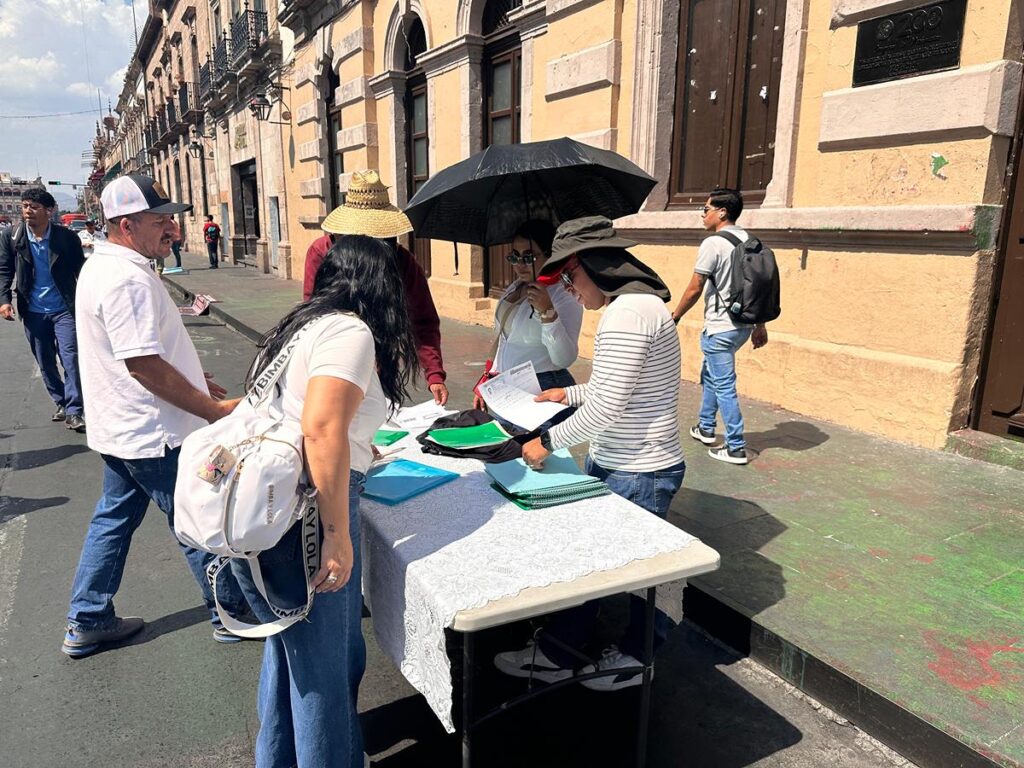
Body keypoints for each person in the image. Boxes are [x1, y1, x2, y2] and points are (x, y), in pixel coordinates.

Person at [233, 235, 419, 767]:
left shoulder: (300, 326)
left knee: (290, 653)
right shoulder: (350, 330)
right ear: (381, 283)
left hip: (268, 516)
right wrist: (337, 535)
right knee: (323, 671)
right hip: (306, 515)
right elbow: (319, 429)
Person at [62, 174, 250, 658]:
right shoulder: (126, 279)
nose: (172, 227)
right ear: (127, 225)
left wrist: (193, 375)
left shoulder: (109, 267)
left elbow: (146, 352)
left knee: (113, 519)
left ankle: (87, 618)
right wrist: (209, 409)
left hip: (121, 428)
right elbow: (142, 363)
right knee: (195, 519)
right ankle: (229, 612)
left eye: (172, 217)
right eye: (160, 219)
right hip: (153, 431)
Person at [495, 216, 685, 691]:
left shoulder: (625, 315)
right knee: (594, 560)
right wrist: (568, 395)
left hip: (638, 466)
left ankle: (634, 660)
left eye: (569, 277)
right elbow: (613, 389)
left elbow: (608, 406)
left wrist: (546, 443)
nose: (570, 290)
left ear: (592, 265)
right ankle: (563, 649)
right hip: (625, 459)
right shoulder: (640, 306)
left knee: (641, 570)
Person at [303, 170, 449, 405]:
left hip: (382, 350)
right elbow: (313, 312)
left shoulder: (401, 260)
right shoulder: (322, 251)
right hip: (333, 351)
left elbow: (424, 320)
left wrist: (434, 373)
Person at [670, 188, 767, 465]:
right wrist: (760, 325)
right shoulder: (751, 240)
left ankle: (735, 446)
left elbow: (695, 287)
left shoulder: (713, 243)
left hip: (721, 327)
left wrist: (675, 316)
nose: (702, 215)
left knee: (724, 384)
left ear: (722, 212)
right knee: (710, 373)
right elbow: (759, 286)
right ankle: (705, 428)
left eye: (705, 209)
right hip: (743, 325)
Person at [472, 220, 583, 423]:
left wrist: (547, 312)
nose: (519, 264)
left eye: (529, 257)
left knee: (537, 452)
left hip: (543, 388)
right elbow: (502, 341)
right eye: (514, 256)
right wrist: (487, 380)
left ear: (550, 254)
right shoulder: (515, 287)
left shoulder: (564, 294)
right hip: (507, 388)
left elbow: (564, 359)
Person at [0, 187, 87, 431]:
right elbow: (4, 270)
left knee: (71, 357)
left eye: (34, 207)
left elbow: (81, 271)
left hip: (64, 308)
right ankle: (60, 401)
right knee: (45, 361)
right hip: (33, 309)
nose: (28, 211)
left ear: (50, 211)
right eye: (25, 206)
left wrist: (90, 301)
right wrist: (4, 299)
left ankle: (74, 409)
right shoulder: (12, 237)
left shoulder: (66, 238)